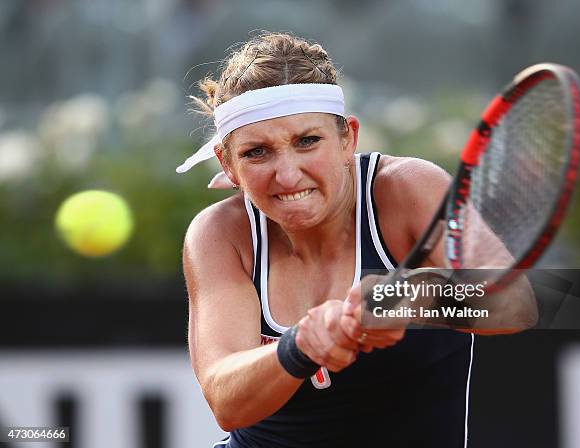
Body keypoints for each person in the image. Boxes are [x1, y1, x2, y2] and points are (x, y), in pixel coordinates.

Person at [178, 32, 536, 447]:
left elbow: (519, 303)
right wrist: (301, 345)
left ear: (348, 138)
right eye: (256, 152)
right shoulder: (220, 233)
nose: (287, 175)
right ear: (228, 163)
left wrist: (409, 297)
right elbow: (226, 401)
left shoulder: (409, 189)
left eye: (307, 141)